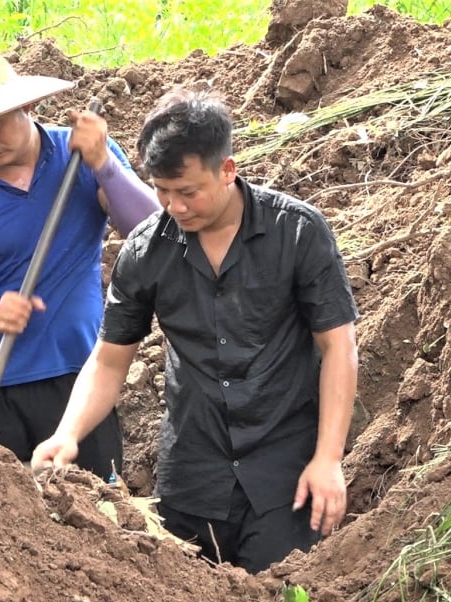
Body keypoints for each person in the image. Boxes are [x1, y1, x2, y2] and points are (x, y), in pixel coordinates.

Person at [31, 88, 360, 574]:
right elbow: (108, 359)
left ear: (227, 170)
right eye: (162, 191)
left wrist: (328, 459)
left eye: (187, 191)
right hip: (191, 472)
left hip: (284, 473)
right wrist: (68, 433)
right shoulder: (146, 250)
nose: (174, 206)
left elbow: (339, 347)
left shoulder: (296, 232)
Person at [0, 44, 161, 481]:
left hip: (79, 380)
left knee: (96, 516)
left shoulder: (82, 157)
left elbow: (150, 230)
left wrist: (104, 166)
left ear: (26, 105)